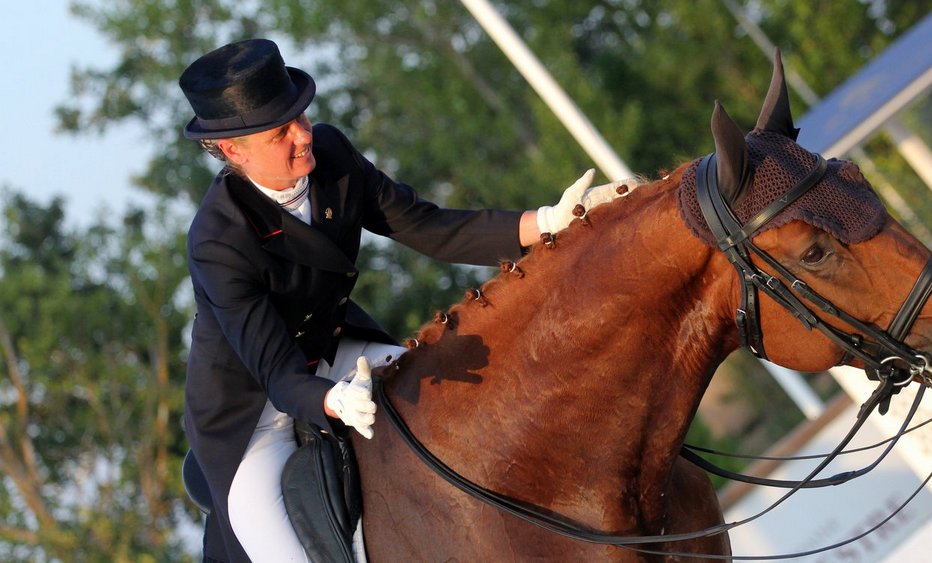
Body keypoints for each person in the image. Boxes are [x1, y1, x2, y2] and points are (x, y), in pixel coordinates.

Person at [178, 38, 627, 562]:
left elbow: (426, 225)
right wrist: (332, 400)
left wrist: (547, 223)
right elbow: (279, 377)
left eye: (301, 117)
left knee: (468, 400)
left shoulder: (332, 155)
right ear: (233, 150)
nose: (304, 136)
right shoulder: (217, 240)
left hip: (335, 352)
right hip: (252, 414)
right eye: (281, 132)